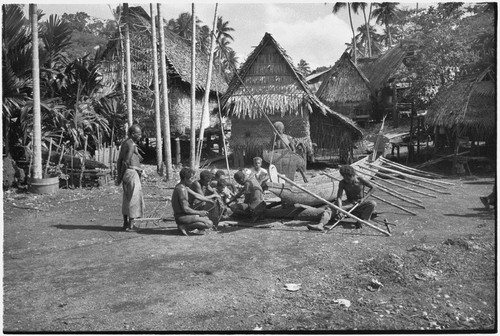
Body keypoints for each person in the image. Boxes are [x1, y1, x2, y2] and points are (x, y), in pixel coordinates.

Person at [308, 165, 376, 231]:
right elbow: (339, 198)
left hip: (359, 203)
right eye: (344, 177)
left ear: (352, 175)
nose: (346, 180)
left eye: (348, 178)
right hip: (348, 203)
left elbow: (373, 187)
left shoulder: (361, 179)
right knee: (330, 208)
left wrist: (363, 199)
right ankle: (320, 225)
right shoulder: (342, 183)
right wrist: (340, 210)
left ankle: (360, 220)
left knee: (372, 203)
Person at [116, 124, 145, 231]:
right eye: (139, 134)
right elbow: (126, 161)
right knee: (134, 199)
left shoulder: (126, 143)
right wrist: (120, 175)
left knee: (127, 197)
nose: (140, 136)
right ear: (133, 134)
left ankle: (125, 223)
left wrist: (120, 175)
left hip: (126, 174)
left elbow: (120, 160)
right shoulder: (131, 145)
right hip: (132, 173)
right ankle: (131, 225)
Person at [172, 167, 215, 236]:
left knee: (206, 218)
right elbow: (186, 209)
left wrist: (209, 200)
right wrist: (200, 212)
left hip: (186, 215)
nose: (193, 181)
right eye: (191, 179)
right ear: (186, 179)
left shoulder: (184, 186)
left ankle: (186, 225)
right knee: (209, 223)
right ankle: (184, 226)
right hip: (182, 217)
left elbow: (196, 195)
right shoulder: (181, 189)